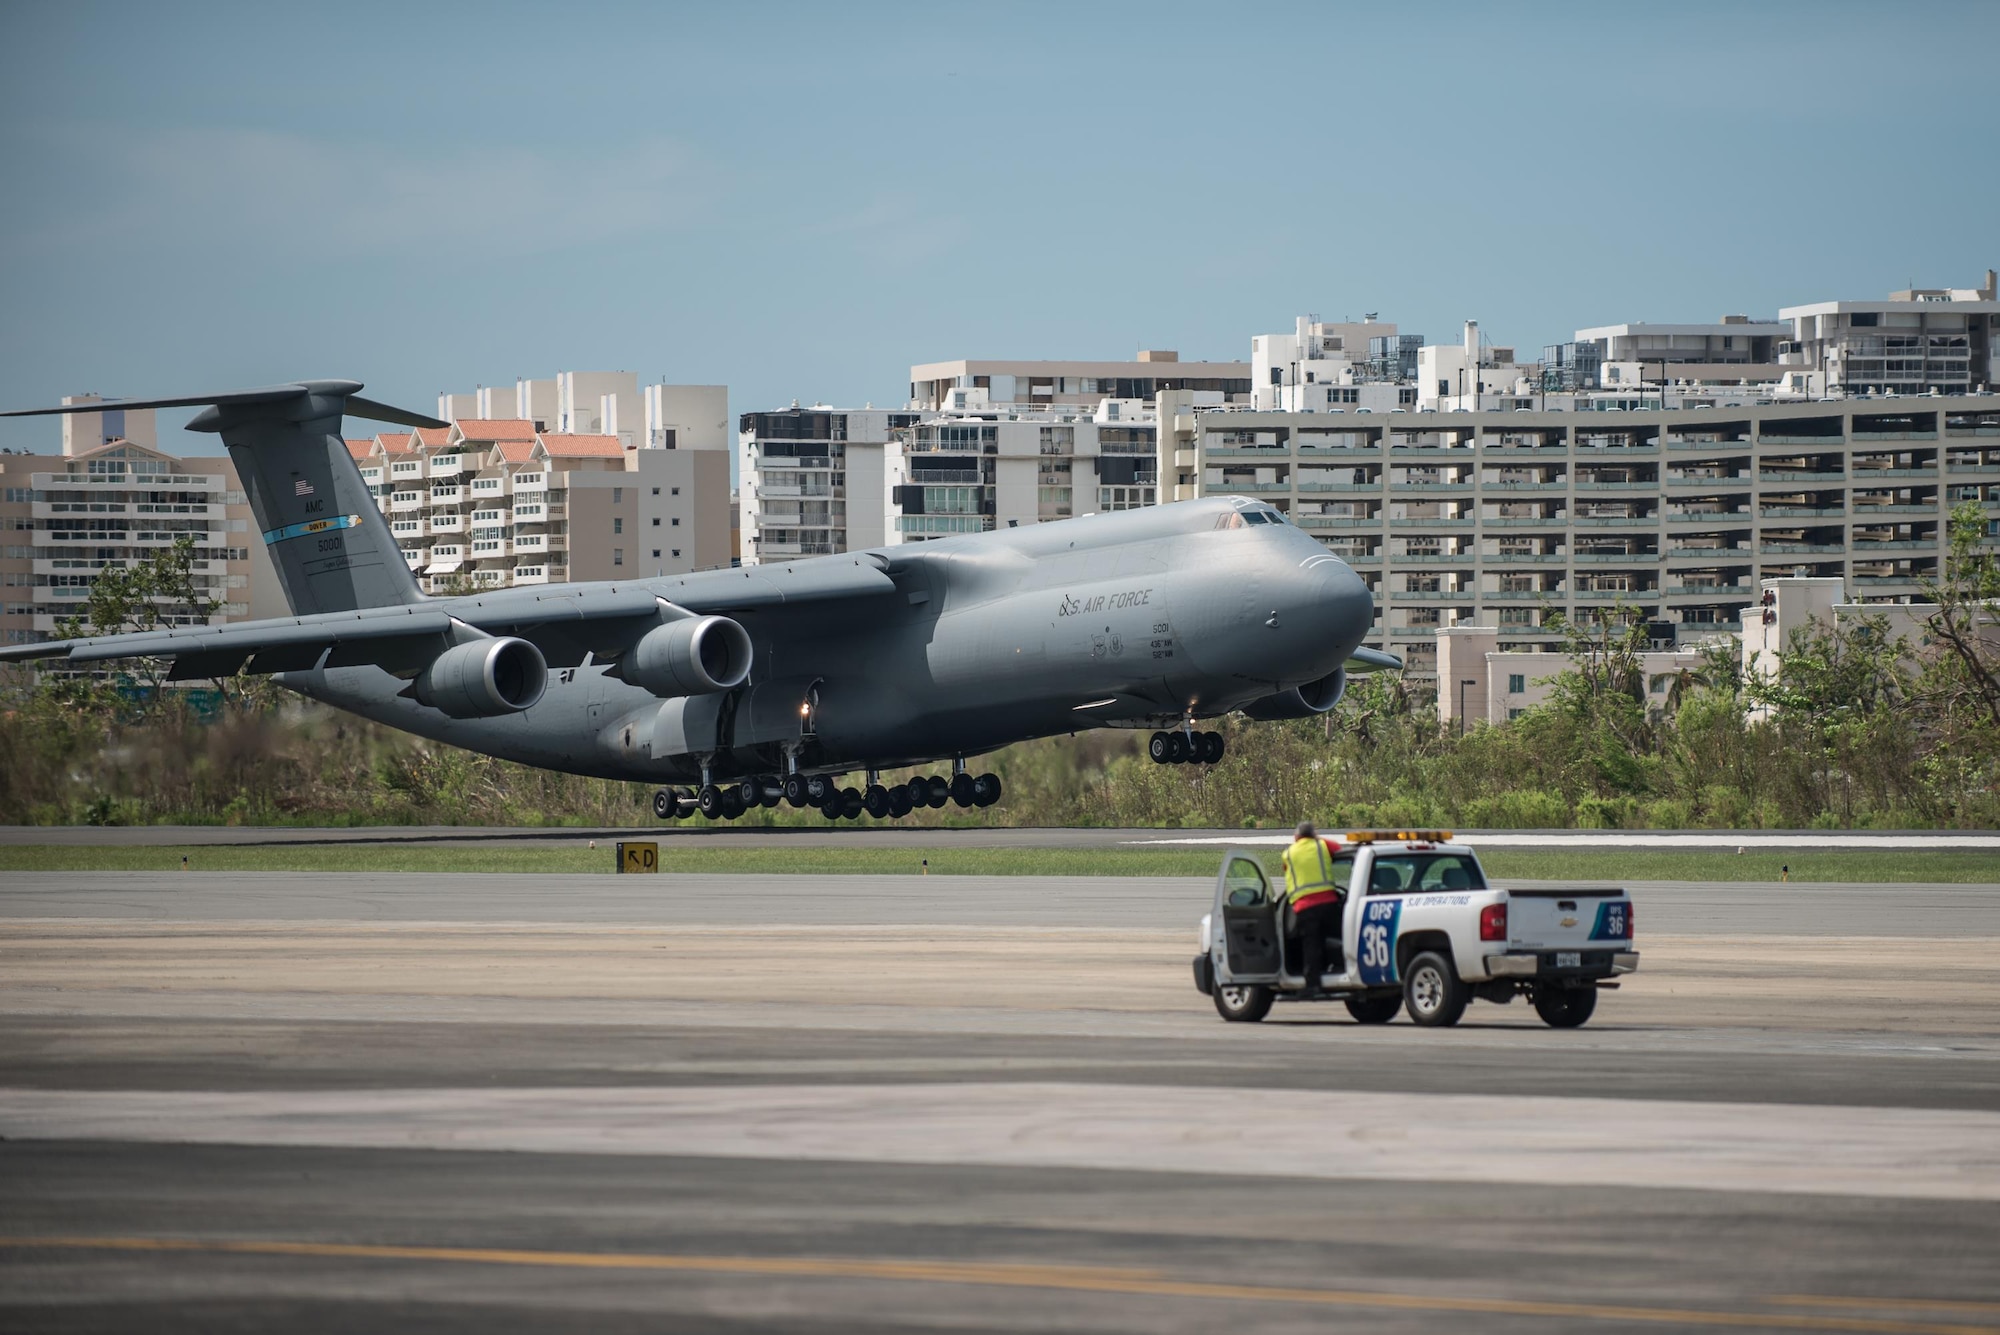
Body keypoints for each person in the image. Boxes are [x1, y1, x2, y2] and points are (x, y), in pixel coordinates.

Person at [1281, 821, 1345, 991]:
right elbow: (1338, 849)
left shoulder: (1288, 853)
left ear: (1296, 837)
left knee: (1311, 946)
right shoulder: (1321, 845)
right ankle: (1343, 967)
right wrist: (1316, 838)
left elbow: (1285, 869)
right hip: (1328, 903)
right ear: (1313, 834)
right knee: (1342, 938)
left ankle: (1312, 985)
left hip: (1304, 908)